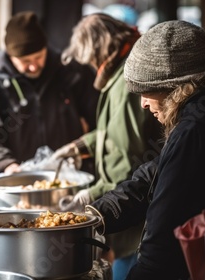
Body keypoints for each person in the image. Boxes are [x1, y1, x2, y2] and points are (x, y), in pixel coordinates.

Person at [83, 20, 205, 280]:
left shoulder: (194, 130)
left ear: (177, 86)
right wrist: (96, 214)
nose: (142, 103)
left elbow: (162, 244)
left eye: (147, 91)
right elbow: (156, 173)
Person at [52, 13, 162, 279]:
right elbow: (112, 132)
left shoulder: (124, 83)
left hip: (135, 225)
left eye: (89, 59)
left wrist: (91, 196)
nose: (90, 65)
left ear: (99, 50)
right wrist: (79, 146)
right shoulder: (118, 73)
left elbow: (126, 158)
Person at [0, 11, 100, 180]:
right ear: (10, 56)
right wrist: (5, 165)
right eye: (25, 61)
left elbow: (99, 121)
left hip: (72, 179)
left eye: (38, 57)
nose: (33, 67)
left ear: (46, 48)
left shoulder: (70, 71)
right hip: (19, 185)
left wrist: (83, 149)